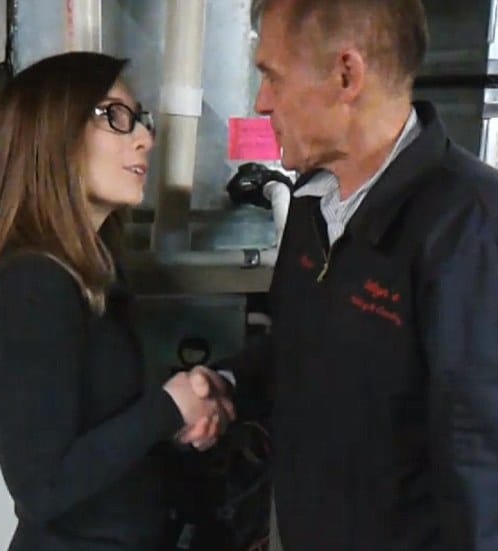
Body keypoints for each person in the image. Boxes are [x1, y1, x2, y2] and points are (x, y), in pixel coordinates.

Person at [194, 0, 498, 549]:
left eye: (272, 76)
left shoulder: (470, 225)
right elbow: (301, 347)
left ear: (346, 76)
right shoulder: (313, 202)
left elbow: (479, 463)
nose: (262, 102)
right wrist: (228, 384)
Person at [0, 51, 232, 551]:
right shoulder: (32, 285)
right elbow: (41, 486)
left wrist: (179, 421)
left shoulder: (90, 273)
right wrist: (167, 407)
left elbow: (96, 435)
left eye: (141, 119)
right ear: (52, 137)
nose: (145, 138)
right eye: (116, 116)